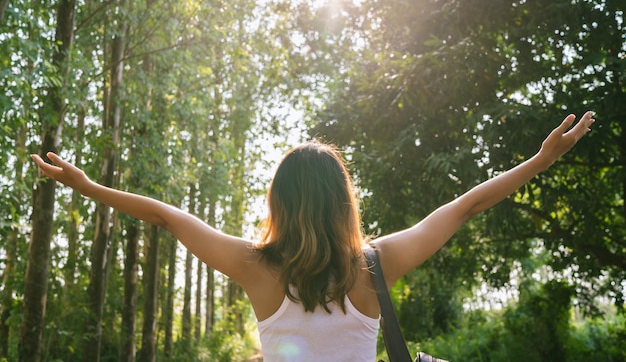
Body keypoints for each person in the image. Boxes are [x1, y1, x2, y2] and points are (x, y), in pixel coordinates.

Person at [31, 111, 595, 362]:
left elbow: (168, 217)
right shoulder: (375, 265)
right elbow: (466, 206)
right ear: (342, 200)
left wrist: (87, 186)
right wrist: (541, 159)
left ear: (279, 200)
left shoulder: (255, 267)